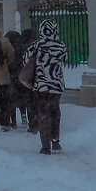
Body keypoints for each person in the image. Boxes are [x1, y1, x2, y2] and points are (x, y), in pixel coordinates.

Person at [28, 19, 68, 154]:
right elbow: (65, 59)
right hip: (56, 85)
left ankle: (45, 146)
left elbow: (25, 60)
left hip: (41, 85)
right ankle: (56, 141)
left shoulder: (37, 45)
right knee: (55, 112)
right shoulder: (61, 46)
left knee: (43, 113)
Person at [17, 28, 38, 132]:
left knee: (27, 100)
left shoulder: (20, 47)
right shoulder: (36, 47)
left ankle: (28, 119)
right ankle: (35, 122)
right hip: (36, 78)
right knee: (35, 101)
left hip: (23, 77)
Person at [3, 29, 24, 128]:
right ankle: (24, 116)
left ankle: (14, 121)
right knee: (21, 98)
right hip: (20, 77)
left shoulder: (7, 50)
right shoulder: (21, 49)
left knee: (10, 100)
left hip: (10, 77)